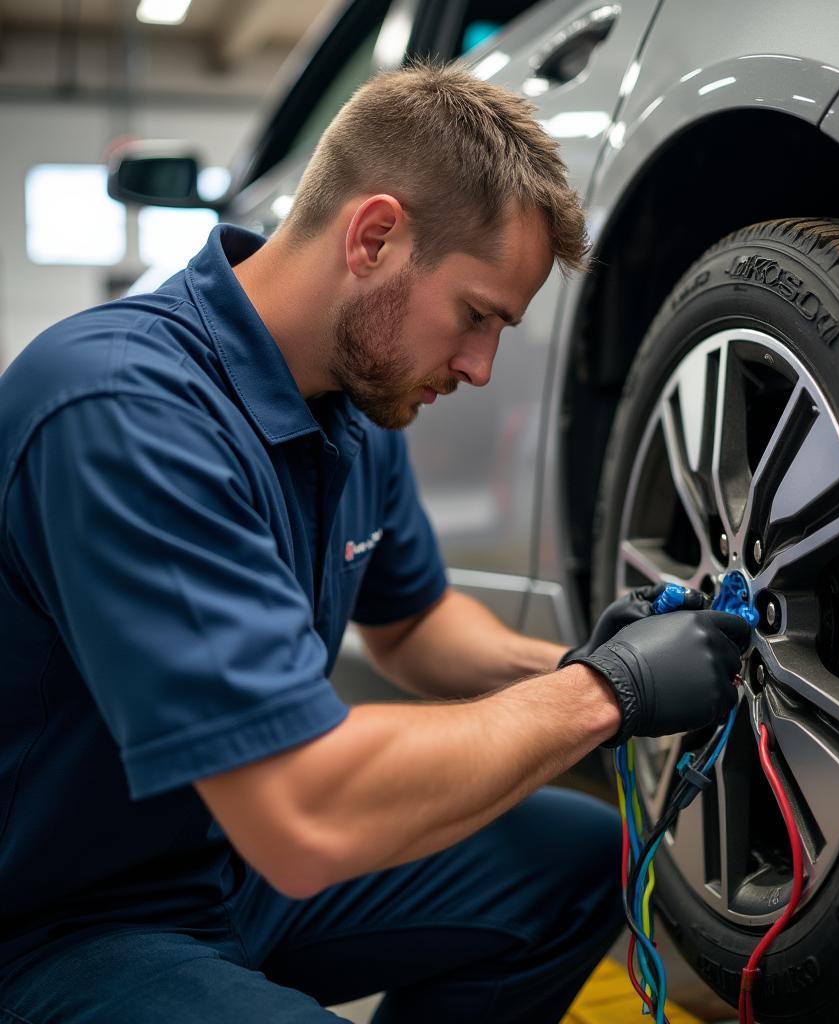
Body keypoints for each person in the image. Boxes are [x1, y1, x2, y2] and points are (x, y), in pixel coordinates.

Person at [0, 63, 749, 1023]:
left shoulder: (350, 410)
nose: (480, 367)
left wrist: (580, 659)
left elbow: (416, 626)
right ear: (374, 236)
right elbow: (304, 815)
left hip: (224, 872)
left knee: (574, 863)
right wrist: (603, 695)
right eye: (476, 316)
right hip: (62, 923)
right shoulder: (123, 411)